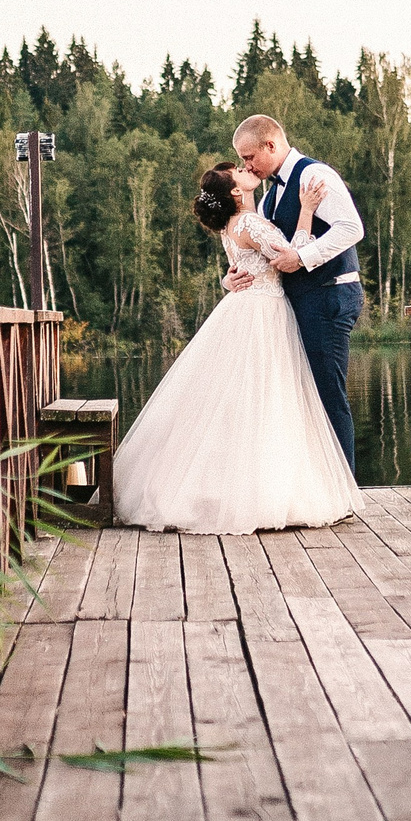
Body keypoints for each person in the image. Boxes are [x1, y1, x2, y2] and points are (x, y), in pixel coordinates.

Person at [112, 160, 361, 533]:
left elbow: (249, 262)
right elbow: (290, 258)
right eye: (240, 171)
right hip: (263, 313)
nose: (248, 170)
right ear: (234, 190)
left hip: (246, 308)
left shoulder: (235, 224)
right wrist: (307, 211)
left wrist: (227, 281)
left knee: (238, 400)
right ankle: (264, 493)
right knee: (265, 398)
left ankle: (235, 486)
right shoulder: (250, 222)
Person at [221, 114, 364, 472]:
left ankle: (344, 487)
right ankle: (314, 482)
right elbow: (261, 255)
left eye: (249, 157)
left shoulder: (315, 174)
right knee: (301, 398)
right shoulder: (269, 197)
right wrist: (230, 279)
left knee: (328, 395)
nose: (246, 165)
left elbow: (351, 228)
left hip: (329, 296)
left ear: (270, 145)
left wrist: (302, 257)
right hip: (295, 304)